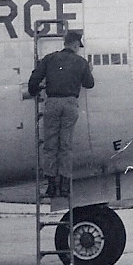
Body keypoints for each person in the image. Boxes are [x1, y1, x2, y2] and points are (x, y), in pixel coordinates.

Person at [28, 31, 94, 197]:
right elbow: (89, 84)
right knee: (65, 145)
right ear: (75, 44)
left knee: (50, 145)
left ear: (65, 43)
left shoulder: (49, 59)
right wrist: (89, 70)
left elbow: (33, 82)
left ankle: (51, 184)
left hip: (53, 103)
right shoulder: (81, 62)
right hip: (70, 104)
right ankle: (64, 185)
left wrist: (36, 90)